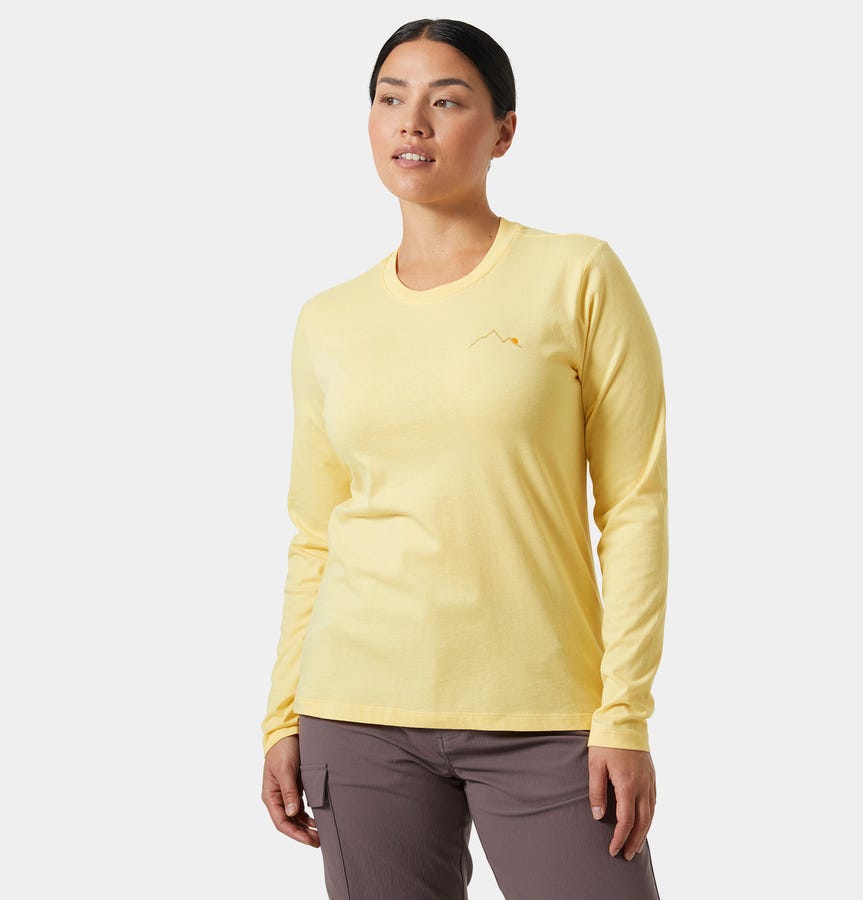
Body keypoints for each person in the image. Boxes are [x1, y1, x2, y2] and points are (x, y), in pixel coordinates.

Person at [260, 17, 668, 900]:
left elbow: (634, 506)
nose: (413, 122)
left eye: (446, 102)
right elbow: (316, 534)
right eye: (391, 99)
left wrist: (623, 715)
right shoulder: (327, 321)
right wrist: (282, 716)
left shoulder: (577, 275)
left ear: (504, 131)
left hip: (547, 716)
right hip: (357, 714)